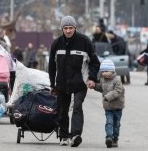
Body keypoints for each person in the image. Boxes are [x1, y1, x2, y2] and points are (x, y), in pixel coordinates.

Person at [48, 16, 100, 147]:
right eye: (66, 28)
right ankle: (64, 136)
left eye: (71, 28)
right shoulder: (56, 43)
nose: (68, 30)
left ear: (75, 28)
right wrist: (52, 84)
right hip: (62, 83)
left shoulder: (85, 42)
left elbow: (95, 62)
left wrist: (92, 78)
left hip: (80, 82)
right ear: (62, 29)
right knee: (62, 110)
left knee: (77, 107)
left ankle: (76, 135)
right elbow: (52, 66)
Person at [93, 59, 125, 148]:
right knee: (109, 122)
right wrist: (95, 86)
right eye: (102, 71)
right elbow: (101, 88)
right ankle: (109, 138)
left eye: (106, 71)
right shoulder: (103, 80)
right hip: (108, 107)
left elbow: (118, 91)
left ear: (112, 71)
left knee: (116, 124)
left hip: (117, 106)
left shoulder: (117, 80)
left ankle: (115, 138)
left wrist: (107, 97)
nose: (104, 73)